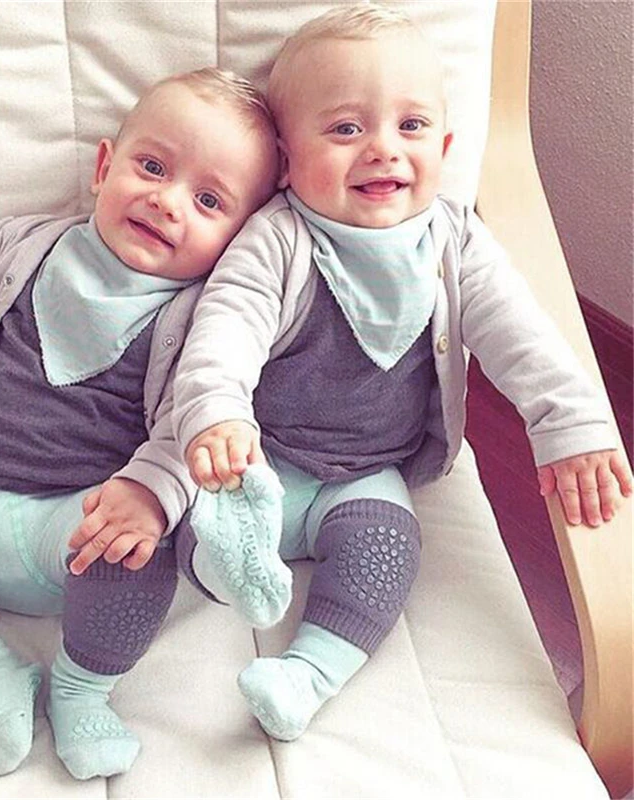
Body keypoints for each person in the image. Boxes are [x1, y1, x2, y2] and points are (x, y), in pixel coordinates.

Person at [170, 6, 632, 743]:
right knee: (189, 522)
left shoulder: (455, 241)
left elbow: (526, 338)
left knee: (390, 549)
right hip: (262, 462)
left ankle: (308, 673)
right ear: (287, 160)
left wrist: (572, 425)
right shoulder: (277, 240)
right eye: (346, 129)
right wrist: (217, 416)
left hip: (368, 473)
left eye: (410, 126)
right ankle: (230, 562)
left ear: (444, 148)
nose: (383, 149)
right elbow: (223, 333)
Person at [0, 67, 279, 780]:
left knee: (140, 554)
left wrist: (150, 494)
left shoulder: (207, 319)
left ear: (240, 238)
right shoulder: (21, 244)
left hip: (73, 528)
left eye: (207, 200)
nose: (166, 201)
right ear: (104, 168)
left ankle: (81, 689)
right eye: (152, 167)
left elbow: (195, 417)